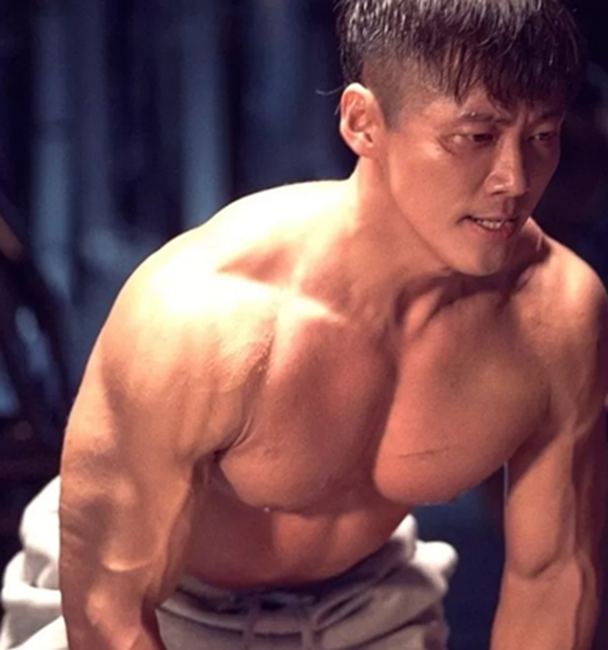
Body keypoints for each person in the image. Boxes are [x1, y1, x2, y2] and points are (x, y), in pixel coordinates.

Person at [1, 0, 607, 648]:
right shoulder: (205, 315)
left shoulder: (556, 317)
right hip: (149, 600)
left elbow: (553, 577)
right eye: (476, 137)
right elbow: (109, 610)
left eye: (542, 137)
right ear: (363, 122)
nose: (514, 180)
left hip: (367, 604)